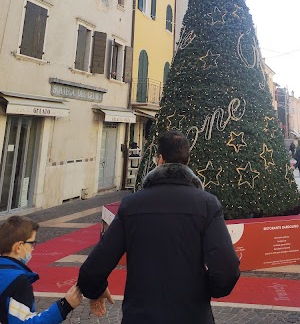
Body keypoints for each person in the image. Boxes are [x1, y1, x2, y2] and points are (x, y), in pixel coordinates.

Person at [78, 130, 240, 324]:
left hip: (141, 316)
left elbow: (95, 266)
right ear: (187, 160)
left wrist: (95, 290)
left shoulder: (132, 205)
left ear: (160, 160)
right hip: (191, 315)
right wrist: (210, 289)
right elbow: (227, 268)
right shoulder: (207, 204)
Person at [0, 215, 83, 324]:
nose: (33, 248)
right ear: (19, 247)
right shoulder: (18, 282)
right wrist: (65, 306)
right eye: (32, 243)